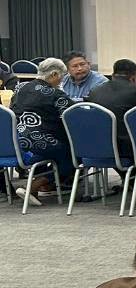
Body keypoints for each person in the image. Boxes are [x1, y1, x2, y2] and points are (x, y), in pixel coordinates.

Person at [86, 58, 136, 186]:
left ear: (113, 75)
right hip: (128, 147)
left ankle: (132, 182)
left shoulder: (95, 91)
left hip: (98, 146)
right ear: (133, 77)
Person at [13, 56, 75, 196]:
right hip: (43, 141)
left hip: (18, 140)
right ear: (54, 74)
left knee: (47, 153)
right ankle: (35, 186)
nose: (61, 81)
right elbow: (72, 116)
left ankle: (42, 184)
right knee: (73, 156)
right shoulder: (55, 94)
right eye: (62, 77)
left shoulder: (20, 88)